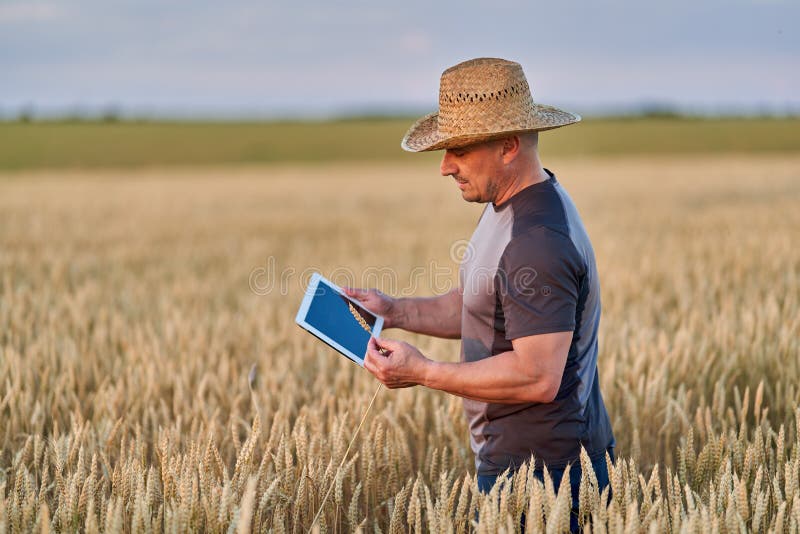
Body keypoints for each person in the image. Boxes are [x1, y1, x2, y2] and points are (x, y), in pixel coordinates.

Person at [343, 57, 615, 531]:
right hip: (521, 467)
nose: (445, 167)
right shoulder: (511, 203)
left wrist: (424, 371)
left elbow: (537, 377)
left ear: (509, 146)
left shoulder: (537, 242)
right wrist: (395, 310)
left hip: (546, 479)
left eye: (460, 151)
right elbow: (487, 308)